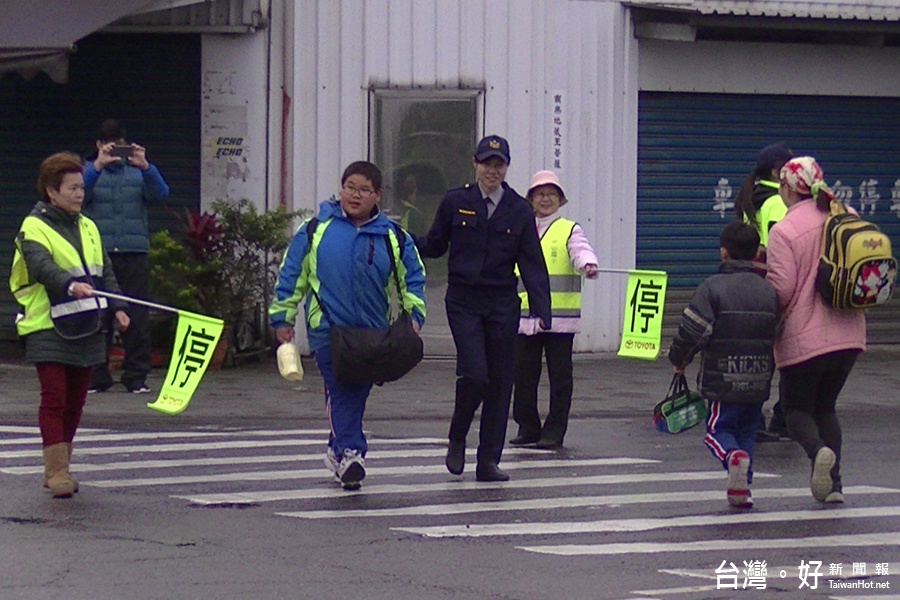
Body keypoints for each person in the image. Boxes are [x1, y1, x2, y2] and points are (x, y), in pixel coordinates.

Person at [269, 161, 426, 490]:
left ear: (377, 195)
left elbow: (412, 277)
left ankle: (335, 449)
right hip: (327, 329)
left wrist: (414, 317)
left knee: (355, 390)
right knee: (342, 387)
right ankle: (352, 453)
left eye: (364, 189)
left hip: (372, 332)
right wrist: (282, 318)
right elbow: (291, 275)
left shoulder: (392, 235)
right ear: (340, 189)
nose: (355, 195)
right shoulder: (315, 229)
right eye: (350, 187)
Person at [415, 135, 551, 482]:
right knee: (476, 374)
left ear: (506, 167)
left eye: (499, 164)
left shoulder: (519, 210)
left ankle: (489, 459)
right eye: (487, 163)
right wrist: (400, 239)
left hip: (502, 302)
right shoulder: (455, 201)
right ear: (475, 164)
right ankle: (457, 436)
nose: (493, 170)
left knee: (500, 382)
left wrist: (542, 309)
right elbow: (434, 244)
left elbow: (532, 263)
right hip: (463, 301)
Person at [10, 152, 130, 498]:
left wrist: (118, 306)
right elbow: (41, 265)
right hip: (47, 324)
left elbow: (105, 271)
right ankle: (56, 471)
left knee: (77, 400)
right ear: (52, 191)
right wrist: (68, 284)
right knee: (55, 397)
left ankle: (64, 464)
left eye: (81, 187)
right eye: (73, 187)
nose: (80, 193)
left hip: (86, 324)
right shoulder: (32, 227)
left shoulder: (89, 226)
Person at [766, 156, 866, 504]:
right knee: (826, 408)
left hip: (805, 337)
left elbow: (782, 289)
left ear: (788, 189)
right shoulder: (846, 215)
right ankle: (834, 486)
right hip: (850, 334)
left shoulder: (784, 230)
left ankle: (818, 453)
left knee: (796, 412)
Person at [668, 221, 778, 508]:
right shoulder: (769, 291)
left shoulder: (712, 288)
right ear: (757, 253)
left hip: (723, 378)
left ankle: (731, 458)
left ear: (723, 252)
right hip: (758, 377)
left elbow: (693, 331)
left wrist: (679, 360)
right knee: (747, 432)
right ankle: (741, 489)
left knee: (717, 432)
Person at [510, 170, 598, 450]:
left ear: (559, 199)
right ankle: (528, 427)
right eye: (539, 194)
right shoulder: (521, 228)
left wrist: (587, 264)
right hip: (526, 318)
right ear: (531, 199)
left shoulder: (569, 229)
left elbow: (580, 250)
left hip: (560, 320)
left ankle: (554, 432)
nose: (545, 199)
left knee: (560, 379)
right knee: (523, 377)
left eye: (551, 194)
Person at [82, 119, 170, 394]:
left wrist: (146, 167)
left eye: (119, 147)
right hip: (99, 253)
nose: (115, 153)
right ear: (98, 145)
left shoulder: (137, 172)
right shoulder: (89, 171)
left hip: (134, 252)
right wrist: (97, 165)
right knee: (98, 315)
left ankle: (136, 377)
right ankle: (97, 377)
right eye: (109, 147)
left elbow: (161, 196)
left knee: (137, 315)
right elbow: (78, 195)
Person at [734, 142, 794, 442]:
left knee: (759, 352)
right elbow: (779, 248)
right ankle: (781, 419)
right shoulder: (777, 202)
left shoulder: (753, 197)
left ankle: (754, 418)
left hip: (753, 281)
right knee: (784, 354)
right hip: (774, 282)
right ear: (775, 171)